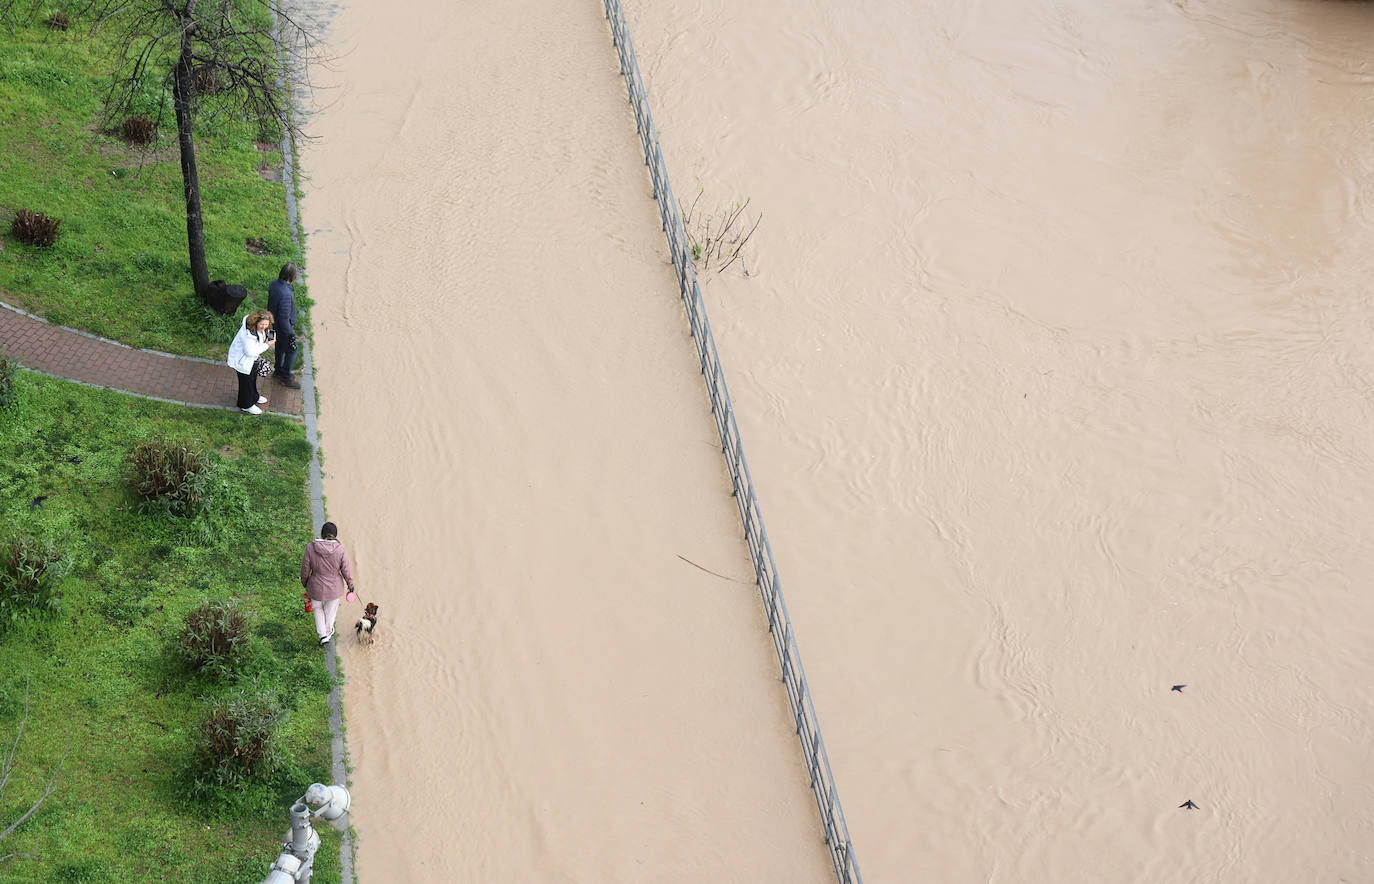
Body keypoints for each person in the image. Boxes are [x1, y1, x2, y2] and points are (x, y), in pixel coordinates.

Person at [300, 521, 357, 645]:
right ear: (335, 535)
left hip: (315, 588)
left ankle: (323, 635)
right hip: (334, 589)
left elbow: (305, 568)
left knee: (317, 609)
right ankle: (327, 632)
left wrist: (305, 582)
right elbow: (346, 569)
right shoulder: (340, 550)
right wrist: (350, 585)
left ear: (321, 533)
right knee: (330, 612)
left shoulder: (311, 547)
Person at [226, 309, 275, 415]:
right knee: (245, 384)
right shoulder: (248, 335)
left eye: (266, 324)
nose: (264, 327)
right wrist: (267, 345)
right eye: (262, 324)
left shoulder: (257, 330)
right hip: (243, 363)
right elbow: (250, 352)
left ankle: (254, 396)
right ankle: (246, 405)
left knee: (252, 380)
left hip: (250, 362)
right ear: (256, 322)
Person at [267, 263, 301, 389]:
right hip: (282, 328)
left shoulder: (273, 284)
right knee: (293, 350)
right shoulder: (286, 294)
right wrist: (291, 333)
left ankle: (278, 370)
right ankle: (286, 377)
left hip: (273, 324)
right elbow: (283, 318)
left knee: (279, 347)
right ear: (292, 277)